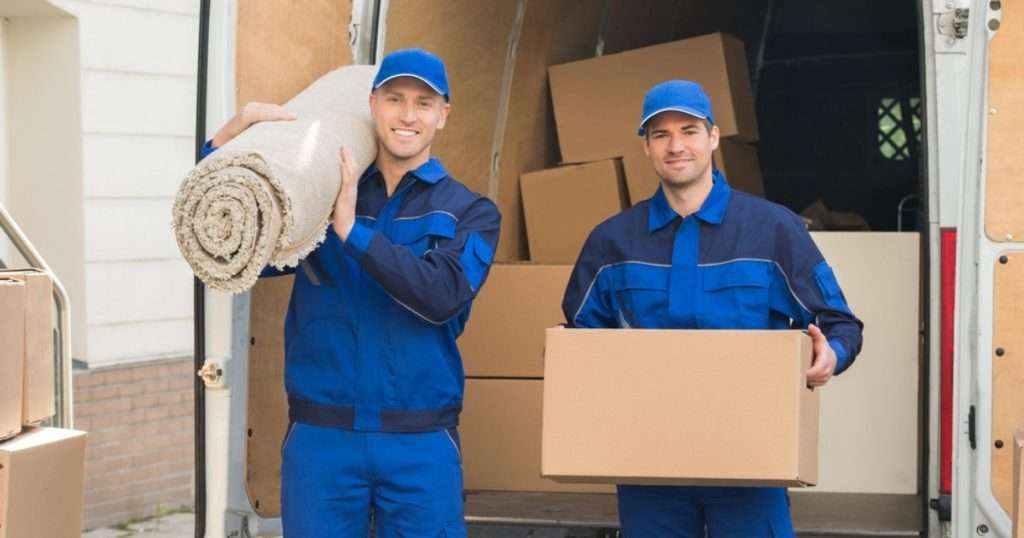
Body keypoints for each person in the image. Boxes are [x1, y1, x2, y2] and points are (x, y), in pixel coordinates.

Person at [205, 48, 500, 537]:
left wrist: (354, 234)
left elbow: (443, 294)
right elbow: (226, 251)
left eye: (424, 103)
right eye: (394, 99)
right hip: (322, 440)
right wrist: (221, 148)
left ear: (443, 114)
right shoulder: (318, 194)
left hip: (420, 442)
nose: (408, 115)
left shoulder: (470, 212)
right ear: (372, 105)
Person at [561, 80, 863, 537]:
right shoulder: (611, 241)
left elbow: (839, 323)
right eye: (660, 134)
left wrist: (830, 356)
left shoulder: (773, 229)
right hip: (648, 461)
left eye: (689, 130)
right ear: (646, 146)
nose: (676, 145)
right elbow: (580, 341)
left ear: (714, 137)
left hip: (750, 457)